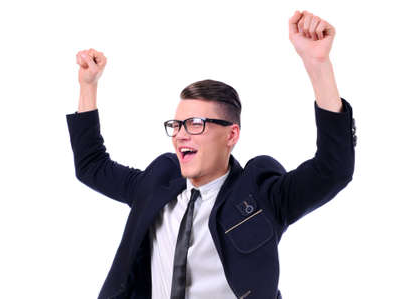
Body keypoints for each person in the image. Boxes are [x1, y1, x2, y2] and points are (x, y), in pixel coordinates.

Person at [66, 10, 356, 299]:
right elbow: (91, 166)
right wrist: (88, 86)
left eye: (195, 124)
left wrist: (318, 66)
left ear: (231, 135)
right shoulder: (156, 185)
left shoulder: (263, 195)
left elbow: (333, 170)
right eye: (177, 124)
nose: (180, 134)